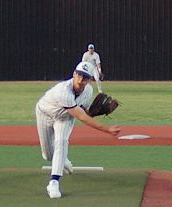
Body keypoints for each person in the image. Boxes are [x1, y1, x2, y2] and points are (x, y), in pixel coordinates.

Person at [35, 61, 121, 199]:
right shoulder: (63, 91)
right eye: (79, 74)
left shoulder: (88, 91)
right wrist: (107, 129)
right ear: (74, 74)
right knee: (48, 156)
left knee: (61, 142)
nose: (81, 79)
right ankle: (63, 160)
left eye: (85, 77)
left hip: (65, 118)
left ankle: (54, 182)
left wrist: (93, 112)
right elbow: (82, 117)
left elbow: (85, 112)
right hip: (45, 114)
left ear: (89, 79)